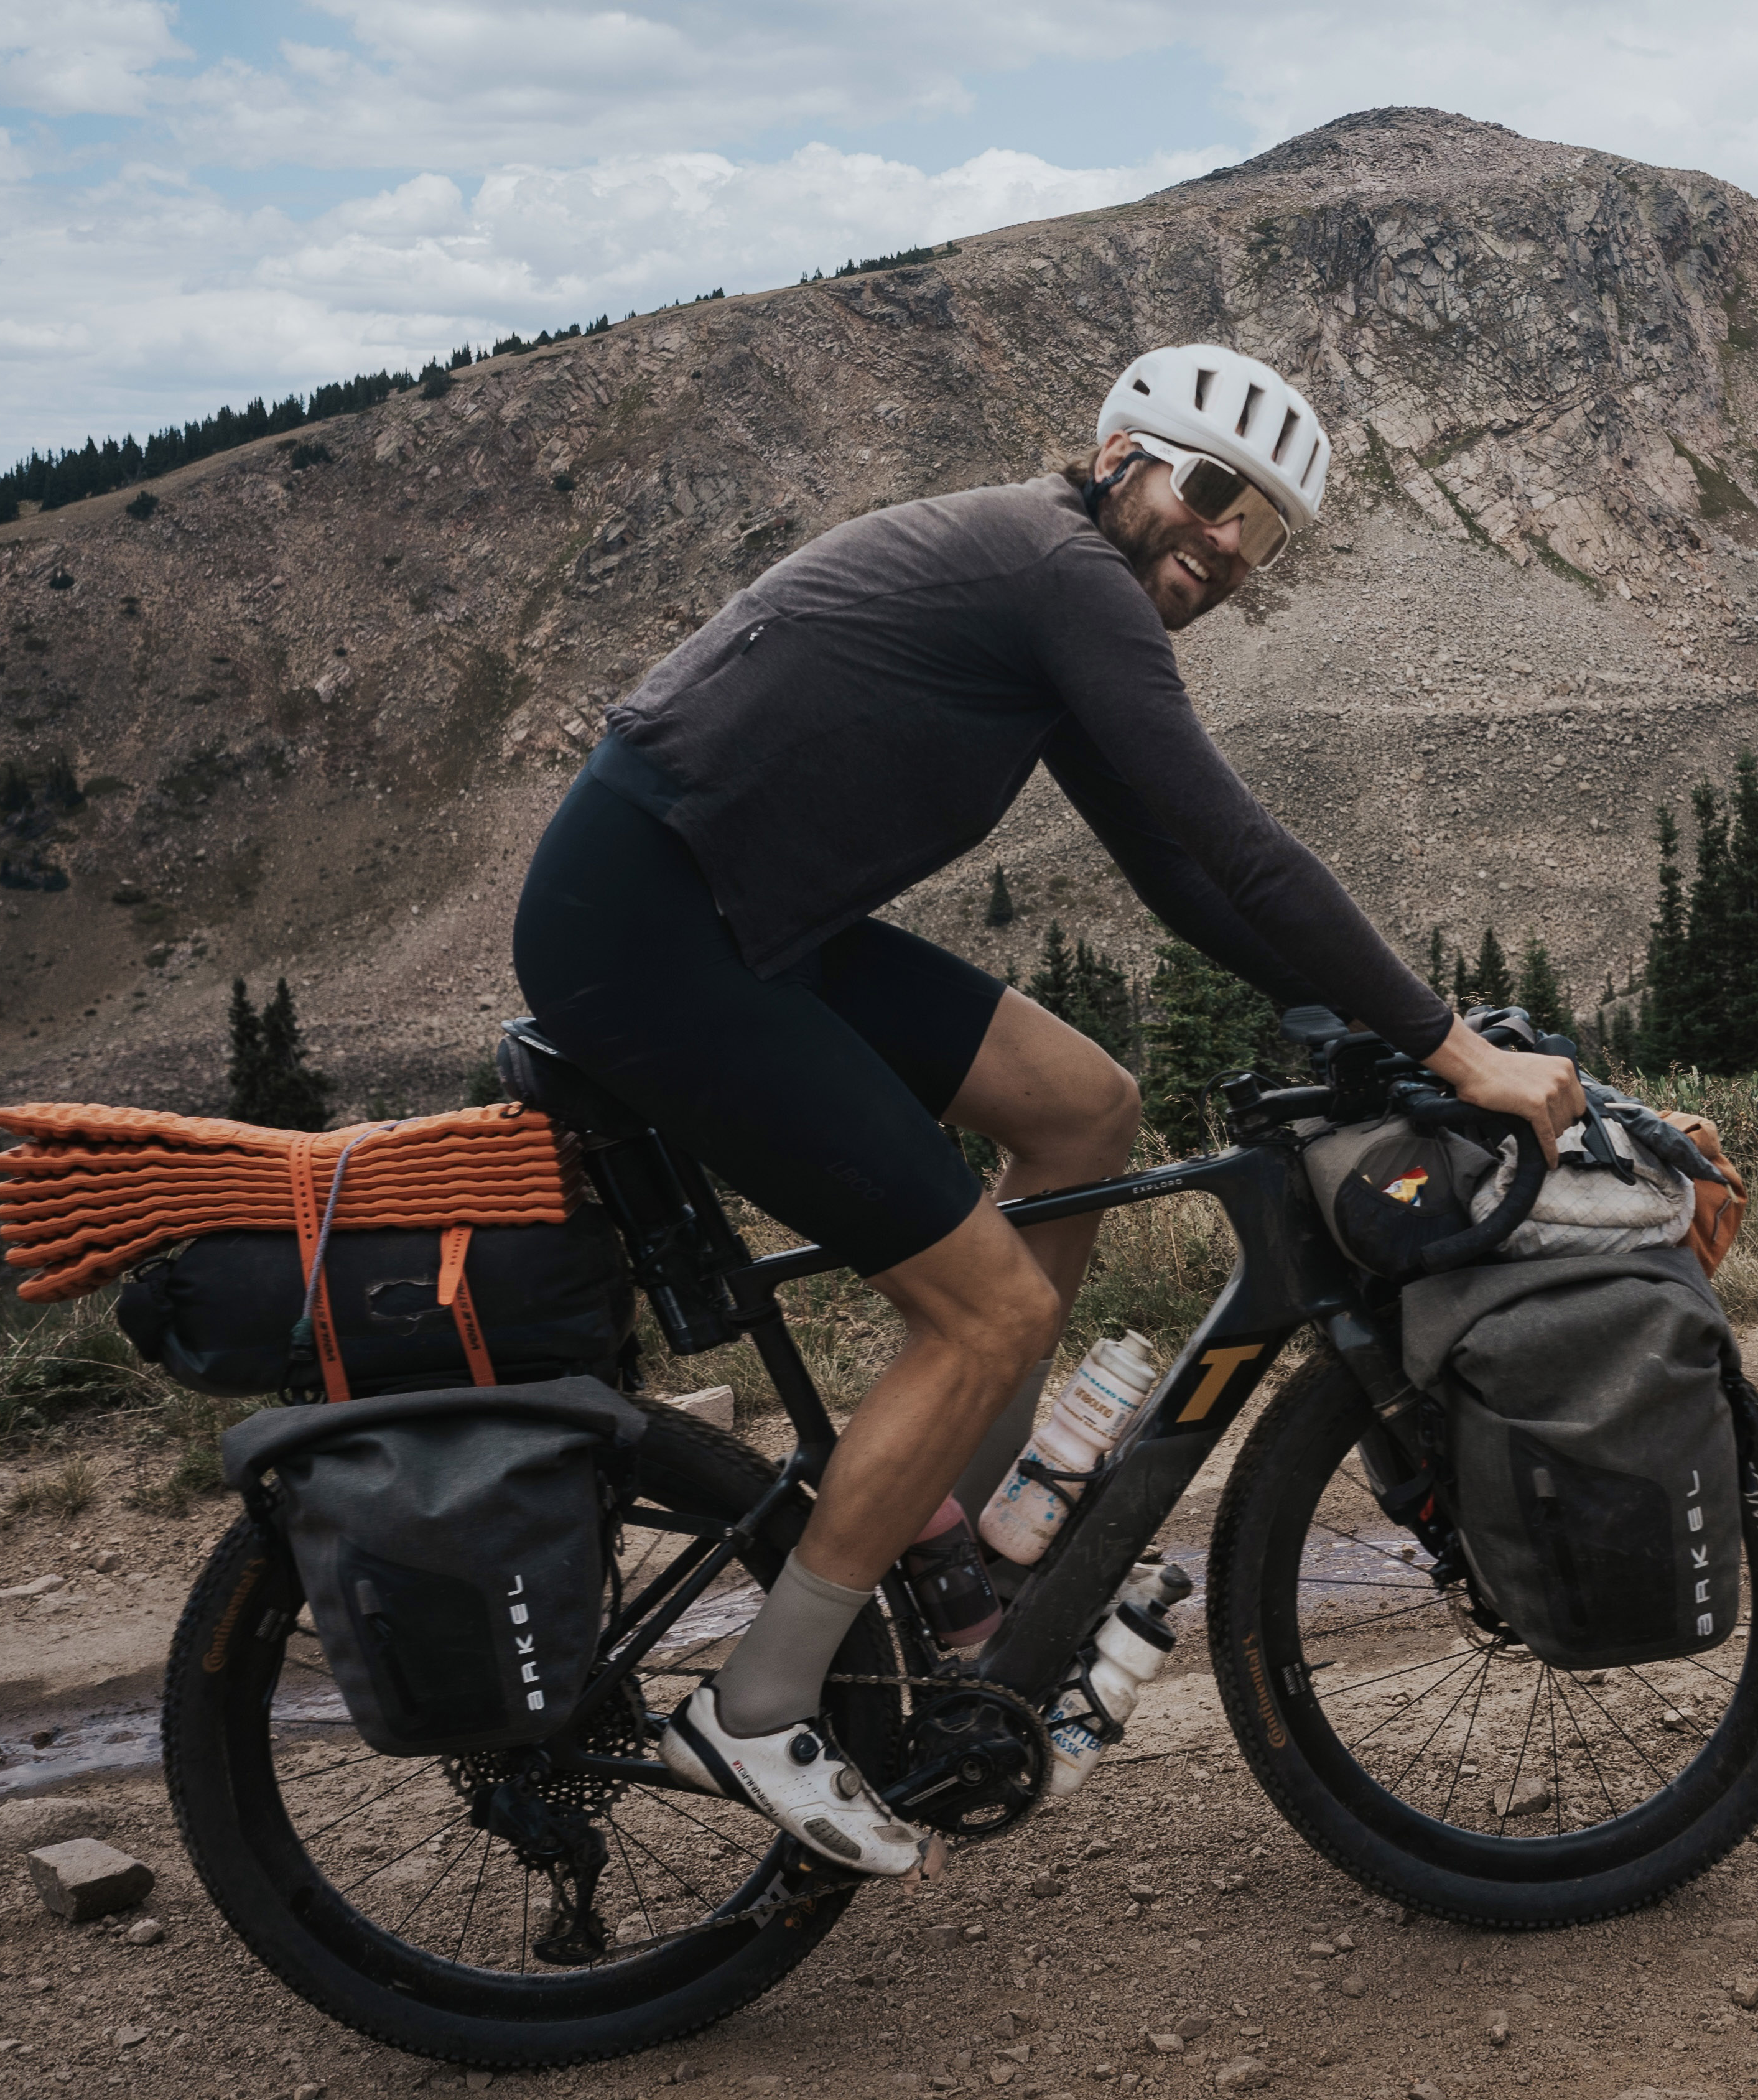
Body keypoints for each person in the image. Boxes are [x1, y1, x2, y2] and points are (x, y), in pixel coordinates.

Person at [509, 343, 1584, 1875]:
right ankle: (756, 1702)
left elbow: (1180, 873)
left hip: (742, 911)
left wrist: (1366, 1027)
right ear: (1119, 455)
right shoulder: (1061, 570)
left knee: (1085, 1106)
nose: (1224, 540)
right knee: (993, 1310)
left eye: (1261, 530)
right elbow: (1244, 839)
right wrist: (1452, 1044)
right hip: (650, 923)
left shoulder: (1056, 582)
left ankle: (952, 1548)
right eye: (1210, 489)